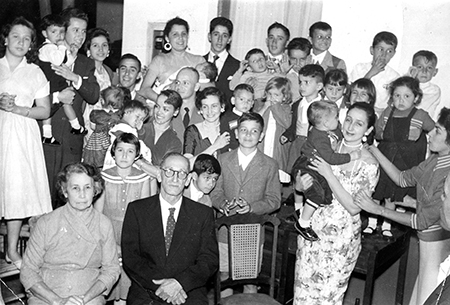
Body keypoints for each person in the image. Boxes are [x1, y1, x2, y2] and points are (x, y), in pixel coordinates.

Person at [355, 107, 450, 305]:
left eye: (438, 131)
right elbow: (402, 178)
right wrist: (375, 150)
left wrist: (378, 209)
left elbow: (421, 220)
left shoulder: (447, 174)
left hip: (436, 247)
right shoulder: (435, 159)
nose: (430, 133)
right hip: (426, 244)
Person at [293, 102, 379, 304]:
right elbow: (305, 178)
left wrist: (329, 174)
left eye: (358, 124)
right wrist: (300, 184)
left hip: (339, 240)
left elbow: (354, 207)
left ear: (368, 130)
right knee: (302, 296)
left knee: (327, 299)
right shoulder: (328, 144)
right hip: (311, 232)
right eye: (348, 119)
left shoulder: (369, 164)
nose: (350, 127)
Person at [122, 152, 219, 305]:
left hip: (188, 290)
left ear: (187, 180)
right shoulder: (137, 210)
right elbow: (131, 258)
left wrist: (179, 283)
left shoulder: (202, 214)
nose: (175, 179)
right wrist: (162, 287)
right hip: (147, 288)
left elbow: (209, 260)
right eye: (169, 172)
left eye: (181, 174)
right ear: (159, 175)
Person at [20, 162, 121, 305]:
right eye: (75, 188)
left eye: (87, 187)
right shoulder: (46, 222)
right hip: (47, 296)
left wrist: (84, 299)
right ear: (65, 191)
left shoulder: (104, 224)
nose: (82, 194)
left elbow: (111, 270)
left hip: (88, 296)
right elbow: (28, 270)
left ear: (95, 190)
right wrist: (58, 301)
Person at [0, 17, 52, 269]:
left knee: (16, 193)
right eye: (16, 36)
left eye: (26, 38)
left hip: (21, 135)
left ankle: (11, 251)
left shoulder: (35, 72)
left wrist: (20, 109)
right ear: (5, 38)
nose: (21, 42)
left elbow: (44, 110)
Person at [210, 112, 281, 295]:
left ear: (261, 136)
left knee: (250, 280)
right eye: (243, 130)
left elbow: (274, 199)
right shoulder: (223, 160)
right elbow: (214, 192)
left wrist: (252, 207)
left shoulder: (270, 164)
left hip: (252, 231)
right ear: (236, 133)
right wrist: (223, 205)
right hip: (225, 231)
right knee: (224, 275)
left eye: (254, 131)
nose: (248, 135)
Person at [43, 8, 100, 205]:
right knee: (44, 195)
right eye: (76, 30)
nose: (81, 36)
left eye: (84, 31)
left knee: (68, 198)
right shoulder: (45, 56)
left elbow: (93, 95)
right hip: (47, 137)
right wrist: (58, 97)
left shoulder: (86, 63)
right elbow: (33, 99)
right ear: (63, 30)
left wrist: (74, 78)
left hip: (72, 141)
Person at [369, 76, 434, 237]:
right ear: (391, 97)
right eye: (397, 95)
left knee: (392, 195)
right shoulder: (387, 112)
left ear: (416, 98)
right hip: (385, 158)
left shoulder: (421, 115)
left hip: (405, 162)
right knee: (377, 192)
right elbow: (377, 133)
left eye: (407, 96)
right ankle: (370, 223)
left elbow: (434, 132)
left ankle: (386, 225)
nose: (401, 100)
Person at [95, 133, 152, 305]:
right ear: (113, 153)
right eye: (120, 150)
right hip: (108, 233)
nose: (125, 156)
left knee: (129, 282)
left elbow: (144, 214)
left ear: (137, 155)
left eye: (130, 151)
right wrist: (109, 241)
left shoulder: (143, 177)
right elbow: (98, 215)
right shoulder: (104, 177)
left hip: (132, 235)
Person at [294, 101, 362, 241]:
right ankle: (303, 222)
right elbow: (330, 158)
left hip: (318, 167)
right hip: (307, 165)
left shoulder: (332, 128)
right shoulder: (318, 136)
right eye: (336, 117)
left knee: (326, 197)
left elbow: (341, 136)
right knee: (316, 195)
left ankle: (302, 212)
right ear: (325, 123)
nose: (339, 120)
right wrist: (351, 156)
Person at [138, 17, 205, 102]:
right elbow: (144, 89)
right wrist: (165, 102)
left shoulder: (199, 61)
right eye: (175, 34)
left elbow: (207, 89)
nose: (180, 38)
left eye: (183, 34)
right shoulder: (159, 60)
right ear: (167, 38)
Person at [38, 14, 80, 144]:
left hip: (55, 80)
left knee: (65, 102)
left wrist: (72, 55)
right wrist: (62, 46)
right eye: (54, 31)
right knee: (53, 107)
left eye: (61, 32)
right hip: (49, 81)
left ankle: (74, 127)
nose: (59, 35)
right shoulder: (46, 48)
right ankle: (74, 126)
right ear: (45, 33)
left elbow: (64, 64)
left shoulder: (54, 48)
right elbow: (57, 60)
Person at [281, 64, 325, 171]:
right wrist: (287, 134)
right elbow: (294, 125)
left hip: (313, 146)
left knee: (309, 171)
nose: (302, 86)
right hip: (297, 143)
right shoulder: (297, 104)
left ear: (318, 86)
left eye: (307, 83)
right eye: (300, 82)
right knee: (292, 169)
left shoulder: (324, 107)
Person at [350, 31, 400, 116]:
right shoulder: (359, 68)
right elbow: (351, 92)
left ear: (393, 54)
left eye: (389, 51)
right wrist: (371, 72)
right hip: (357, 111)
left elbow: (394, 102)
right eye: (380, 49)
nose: (383, 55)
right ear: (372, 50)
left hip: (380, 115)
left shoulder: (394, 77)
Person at [183, 87, 230, 166]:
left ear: (222, 107)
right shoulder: (192, 131)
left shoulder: (228, 129)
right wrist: (215, 147)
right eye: (205, 107)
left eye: (214, 106)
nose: (209, 111)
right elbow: (187, 165)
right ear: (200, 109)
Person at [83, 28, 115, 141]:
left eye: (104, 45)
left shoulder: (108, 71)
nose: (101, 49)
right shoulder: (83, 70)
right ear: (88, 50)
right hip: (87, 119)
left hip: (105, 121)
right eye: (95, 45)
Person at [255, 76, 292, 172]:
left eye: (276, 95)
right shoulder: (262, 106)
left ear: (284, 97)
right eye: (269, 94)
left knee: (275, 170)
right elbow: (255, 121)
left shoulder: (286, 108)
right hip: (263, 143)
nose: (272, 98)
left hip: (277, 147)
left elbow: (287, 123)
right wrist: (265, 107)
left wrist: (275, 106)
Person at [83, 86, 125, 168]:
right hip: (113, 142)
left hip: (97, 143)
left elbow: (93, 127)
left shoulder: (96, 114)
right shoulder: (120, 115)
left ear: (102, 101)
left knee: (93, 161)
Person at [204, 17, 240, 108]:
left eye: (224, 36)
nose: (220, 39)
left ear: (229, 39)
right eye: (216, 34)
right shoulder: (199, 62)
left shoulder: (238, 67)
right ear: (209, 36)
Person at [140, 89, 183, 166]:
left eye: (165, 109)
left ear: (176, 112)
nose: (159, 112)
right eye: (157, 106)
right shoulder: (140, 128)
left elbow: (165, 171)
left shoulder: (175, 142)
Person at [219, 83, 255, 153]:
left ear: (252, 103)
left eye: (249, 100)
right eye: (241, 99)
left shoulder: (254, 119)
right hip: (231, 152)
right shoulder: (226, 118)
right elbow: (223, 137)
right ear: (233, 100)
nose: (245, 103)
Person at [172, 67, 204, 143]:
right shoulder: (168, 111)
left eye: (185, 83)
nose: (179, 87)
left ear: (196, 87)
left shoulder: (205, 113)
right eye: (177, 82)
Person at [408, 50, 441, 120]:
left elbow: (418, 105)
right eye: (420, 67)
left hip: (422, 125)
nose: (424, 71)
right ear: (412, 69)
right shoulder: (406, 84)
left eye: (429, 68)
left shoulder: (434, 90)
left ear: (435, 72)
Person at [286, 37, 312, 102]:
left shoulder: (315, 76)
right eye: (293, 59)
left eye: (302, 59)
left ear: (309, 58)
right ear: (288, 58)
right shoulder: (284, 75)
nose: (297, 63)